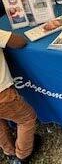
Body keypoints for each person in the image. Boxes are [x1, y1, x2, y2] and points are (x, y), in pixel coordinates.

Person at [0, 30, 38, 164]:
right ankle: (22, 155)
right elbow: (19, 42)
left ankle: (9, 151)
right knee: (26, 119)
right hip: (2, 95)